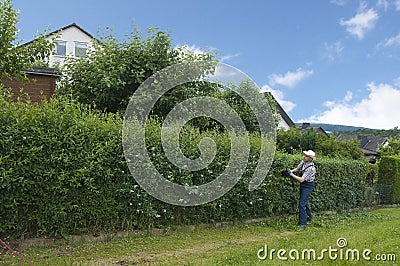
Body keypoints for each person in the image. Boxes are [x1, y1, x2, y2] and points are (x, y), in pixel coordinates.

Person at [289, 150, 316, 228]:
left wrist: (291, 175)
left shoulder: (311, 168)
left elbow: (301, 179)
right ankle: (309, 218)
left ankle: (303, 224)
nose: (304, 157)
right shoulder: (304, 161)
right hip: (303, 184)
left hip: (308, 186)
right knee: (305, 202)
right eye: (305, 155)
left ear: (310, 159)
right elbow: (298, 169)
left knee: (302, 204)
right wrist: (291, 171)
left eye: (306, 156)